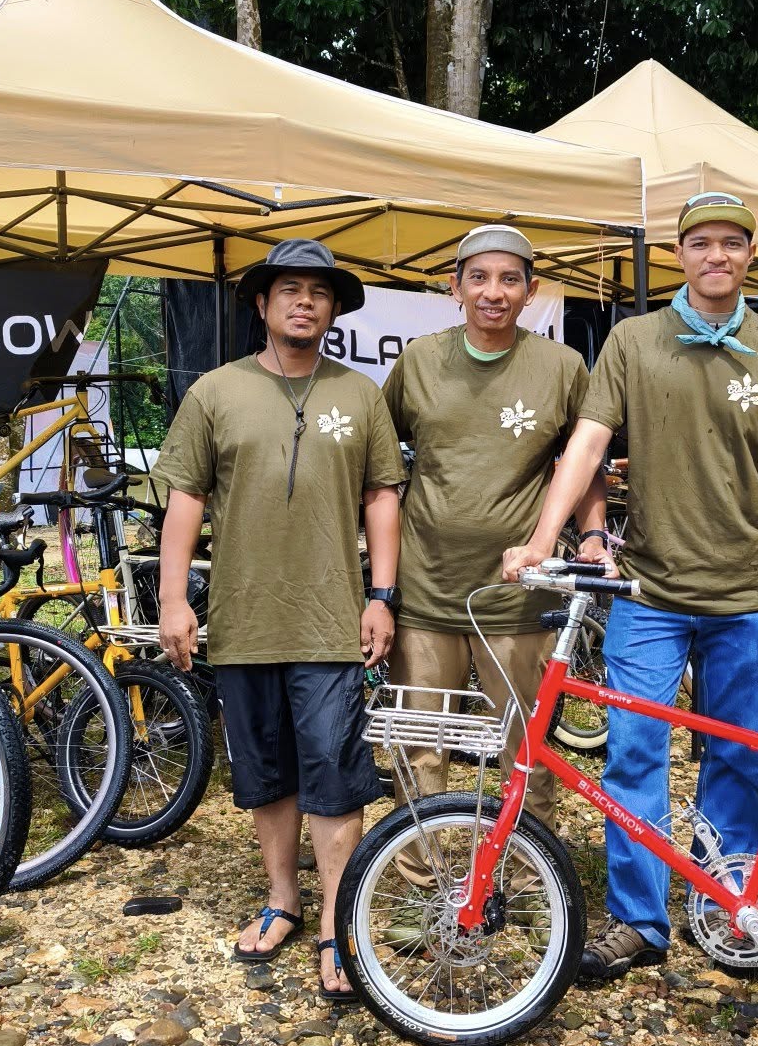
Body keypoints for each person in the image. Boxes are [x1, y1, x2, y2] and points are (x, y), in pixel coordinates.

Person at [505, 191, 758, 982]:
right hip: (648, 592)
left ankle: (726, 902)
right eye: (701, 243)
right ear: (679, 254)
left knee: (737, 759)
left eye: (732, 243)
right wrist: (538, 537)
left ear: (750, 255)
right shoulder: (632, 340)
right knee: (631, 757)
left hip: (750, 593)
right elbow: (586, 446)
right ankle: (638, 919)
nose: (716, 256)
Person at [154, 238, 405, 1001]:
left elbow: (382, 497)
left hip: (332, 618)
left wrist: (381, 594)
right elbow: (186, 498)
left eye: (318, 292)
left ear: (333, 310)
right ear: (262, 305)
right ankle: (283, 899)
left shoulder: (361, 395)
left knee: (334, 771)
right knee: (265, 773)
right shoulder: (214, 393)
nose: (304, 301)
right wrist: (172, 598)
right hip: (244, 615)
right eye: (288, 289)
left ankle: (339, 921)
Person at [381, 224, 607, 827]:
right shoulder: (420, 362)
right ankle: (414, 884)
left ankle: (531, 878)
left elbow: (585, 464)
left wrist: (589, 535)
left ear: (531, 292)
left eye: (509, 279)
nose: (493, 292)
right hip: (426, 587)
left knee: (522, 748)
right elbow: (378, 461)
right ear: (455, 287)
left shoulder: (560, 367)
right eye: (478, 278)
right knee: (419, 747)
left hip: (518, 594)